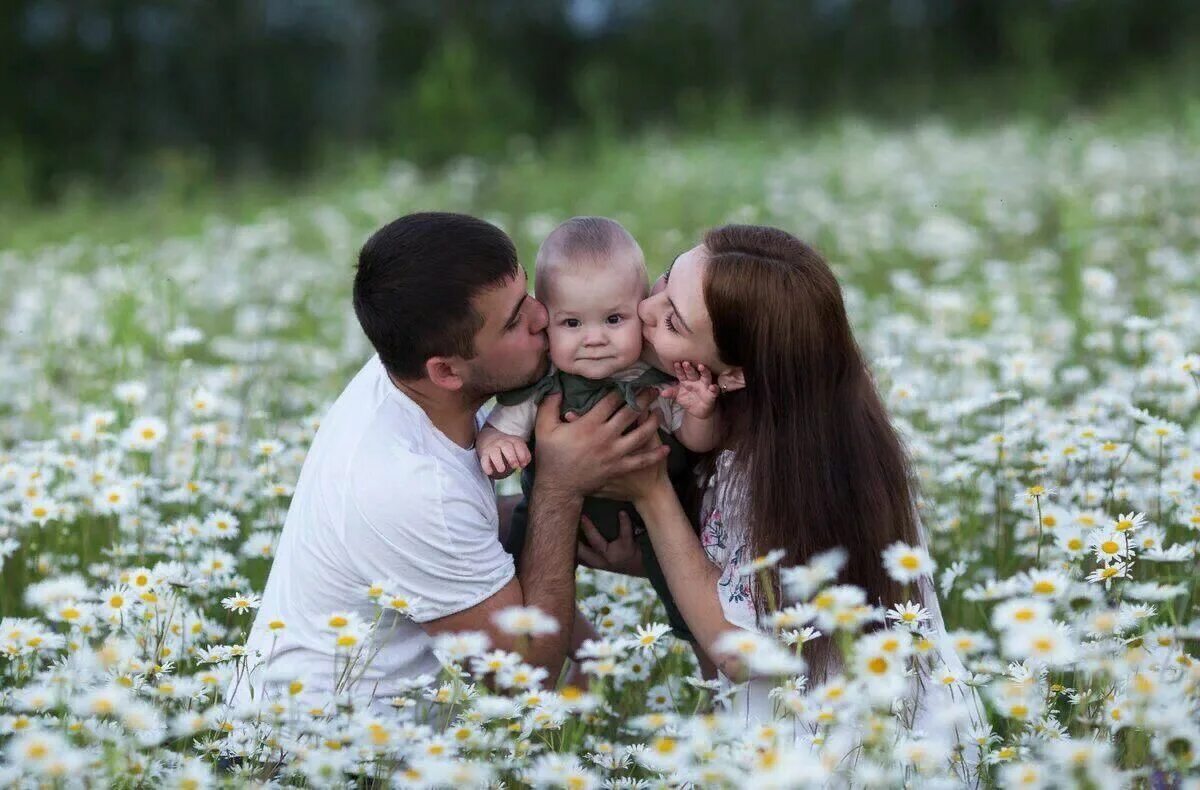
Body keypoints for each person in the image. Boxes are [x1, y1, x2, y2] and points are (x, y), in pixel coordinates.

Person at [229, 212, 668, 715]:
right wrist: (559, 490)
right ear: (445, 371)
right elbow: (526, 672)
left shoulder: (406, 365)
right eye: (513, 322)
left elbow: (467, 531)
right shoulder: (407, 484)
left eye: (527, 292)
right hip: (317, 757)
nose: (543, 316)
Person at [585, 224, 983, 740]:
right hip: (922, 733)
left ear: (733, 376)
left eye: (673, 322)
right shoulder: (828, 427)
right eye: (664, 281)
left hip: (844, 752)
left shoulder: (775, 479)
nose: (644, 309)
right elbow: (759, 585)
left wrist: (652, 492)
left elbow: (740, 652)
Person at [479, 216, 719, 640]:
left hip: (653, 523)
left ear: (641, 309)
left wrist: (700, 412)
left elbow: (695, 441)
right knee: (521, 574)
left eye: (613, 319)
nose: (594, 339)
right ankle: (556, 655)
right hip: (553, 522)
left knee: (687, 596)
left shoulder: (653, 380)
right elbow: (503, 428)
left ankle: (709, 664)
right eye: (572, 324)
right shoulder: (545, 384)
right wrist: (498, 445)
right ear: (544, 320)